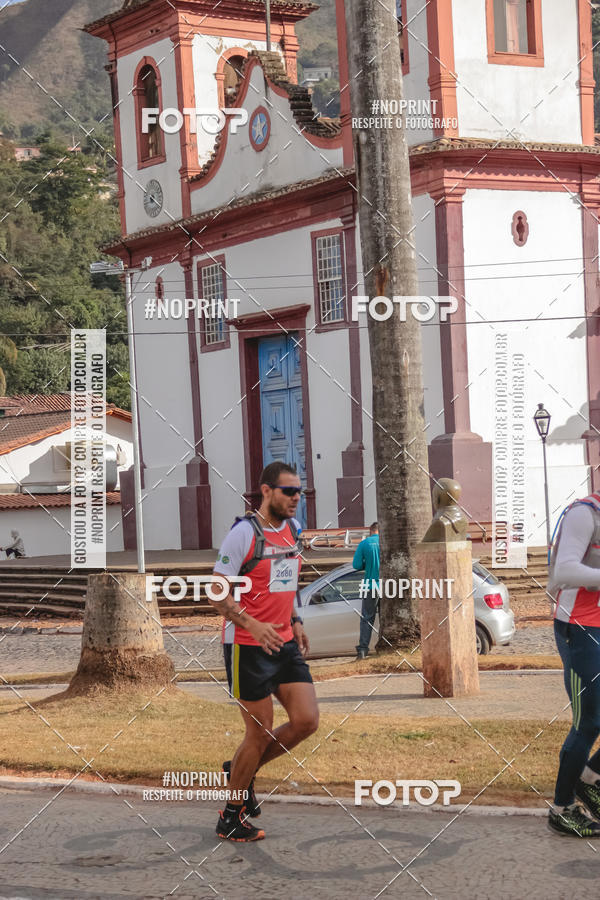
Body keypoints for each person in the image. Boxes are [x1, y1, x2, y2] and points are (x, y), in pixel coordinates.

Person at [209, 461, 318, 842]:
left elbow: (285, 581)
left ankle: (240, 767)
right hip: (246, 645)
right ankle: (231, 816)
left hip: (285, 642)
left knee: (306, 721)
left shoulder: (294, 530)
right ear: (266, 491)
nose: (296, 499)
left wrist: (296, 619)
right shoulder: (244, 534)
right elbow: (216, 590)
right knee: (258, 734)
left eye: (299, 492)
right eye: (289, 491)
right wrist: (251, 623)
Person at [547, 490, 600, 837]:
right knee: (589, 721)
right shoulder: (585, 514)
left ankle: (590, 778)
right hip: (580, 629)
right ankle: (562, 808)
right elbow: (564, 570)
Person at [352, 522, 380, 660]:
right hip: (390, 586)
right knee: (386, 619)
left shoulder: (364, 543)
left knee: (367, 619)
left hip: (369, 586)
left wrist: (367, 564)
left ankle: (362, 651)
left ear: (371, 531)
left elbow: (356, 565)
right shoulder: (387, 541)